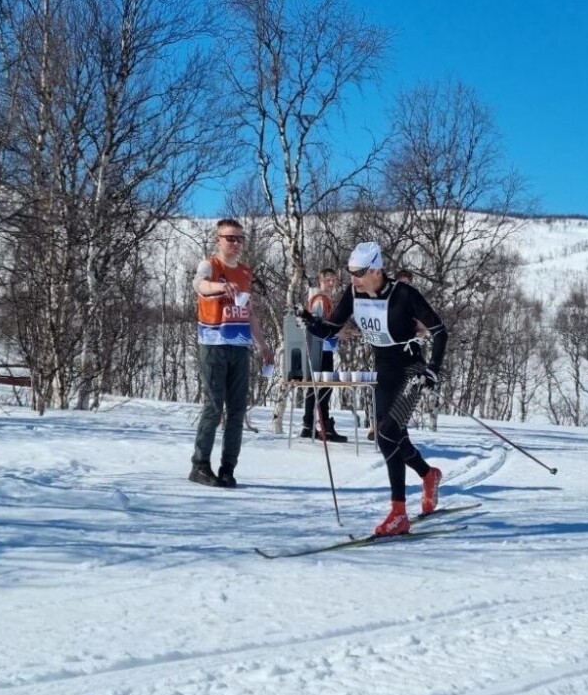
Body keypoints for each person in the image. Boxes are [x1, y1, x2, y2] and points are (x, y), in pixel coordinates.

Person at [297, 242, 449, 536]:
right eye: (351, 272)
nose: (353, 278)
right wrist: (309, 322)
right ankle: (428, 474)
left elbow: (440, 331)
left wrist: (433, 368)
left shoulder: (403, 294)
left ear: (377, 270)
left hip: (411, 371)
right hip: (384, 372)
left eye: (359, 272)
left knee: (389, 433)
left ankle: (398, 513)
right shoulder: (354, 293)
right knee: (389, 437)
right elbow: (330, 327)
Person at [189, 219, 273, 489]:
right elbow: (199, 285)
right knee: (214, 406)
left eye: (239, 239)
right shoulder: (210, 266)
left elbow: (249, 313)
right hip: (213, 344)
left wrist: (262, 345)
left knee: (237, 410)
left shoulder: (246, 272)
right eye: (230, 238)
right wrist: (220, 287)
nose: (235, 244)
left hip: (239, 346)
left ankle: (228, 468)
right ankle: (200, 465)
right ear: (218, 239)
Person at [301, 268, 348, 442]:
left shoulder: (325, 298)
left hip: (325, 346)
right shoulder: (320, 298)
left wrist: (340, 331)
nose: (331, 283)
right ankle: (323, 425)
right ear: (320, 281)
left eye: (334, 280)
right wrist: (337, 333)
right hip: (320, 347)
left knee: (319, 384)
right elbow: (316, 325)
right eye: (328, 280)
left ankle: (309, 424)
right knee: (324, 385)